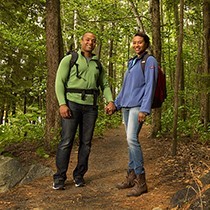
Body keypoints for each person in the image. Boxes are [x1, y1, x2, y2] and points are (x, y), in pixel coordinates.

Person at [53, 32, 115, 190]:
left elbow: (105, 85)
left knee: (86, 143)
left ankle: (79, 175)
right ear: (81, 41)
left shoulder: (97, 64)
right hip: (71, 104)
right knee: (66, 141)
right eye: (87, 40)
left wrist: (110, 100)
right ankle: (59, 177)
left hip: (90, 108)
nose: (90, 43)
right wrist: (62, 104)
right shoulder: (70, 59)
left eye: (93, 41)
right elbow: (59, 82)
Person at [106, 32, 158, 197]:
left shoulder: (149, 61)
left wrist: (144, 109)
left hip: (138, 107)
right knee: (130, 142)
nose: (136, 45)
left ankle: (141, 181)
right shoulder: (132, 62)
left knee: (131, 139)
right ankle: (130, 177)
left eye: (140, 42)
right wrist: (116, 104)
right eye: (134, 42)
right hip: (126, 107)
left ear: (146, 44)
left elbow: (150, 85)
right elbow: (125, 88)